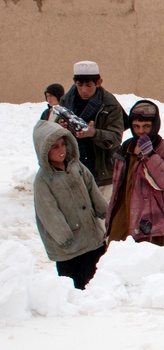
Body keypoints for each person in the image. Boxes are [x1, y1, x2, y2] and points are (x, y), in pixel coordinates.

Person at [32, 120, 108, 289]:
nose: (61, 150)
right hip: (69, 247)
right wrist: (64, 236)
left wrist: (103, 209)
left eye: (62, 144)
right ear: (44, 151)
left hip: (91, 236)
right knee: (74, 285)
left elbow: (91, 187)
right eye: (55, 147)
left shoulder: (76, 167)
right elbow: (48, 211)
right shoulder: (44, 180)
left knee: (97, 281)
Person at [106, 100, 164, 251]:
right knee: (119, 261)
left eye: (146, 126)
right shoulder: (126, 148)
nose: (141, 131)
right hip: (124, 215)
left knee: (151, 266)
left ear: (154, 126)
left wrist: (149, 155)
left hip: (155, 223)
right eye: (136, 126)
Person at [59, 61, 125, 197]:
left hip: (102, 172)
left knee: (101, 216)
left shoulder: (110, 105)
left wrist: (94, 133)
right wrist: (61, 127)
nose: (84, 90)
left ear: (99, 82)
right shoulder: (66, 102)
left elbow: (115, 138)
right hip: (72, 169)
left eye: (89, 85)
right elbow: (52, 133)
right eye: (80, 85)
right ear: (74, 82)